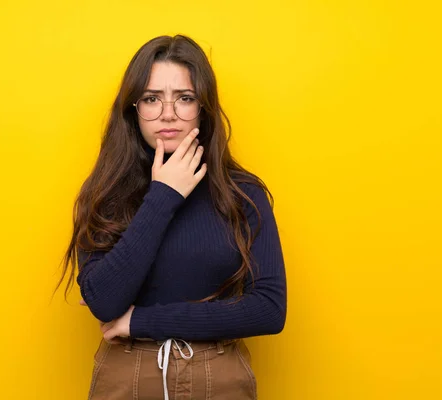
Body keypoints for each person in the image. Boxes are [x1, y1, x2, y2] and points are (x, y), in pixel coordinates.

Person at [55, 34, 287, 400]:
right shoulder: (105, 193)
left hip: (220, 377)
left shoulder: (244, 194)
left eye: (185, 98)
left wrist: (140, 320)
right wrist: (163, 195)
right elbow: (103, 302)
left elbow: (269, 310)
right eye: (151, 99)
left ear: (204, 107)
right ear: (133, 109)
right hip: (127, 377)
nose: (168, 113)